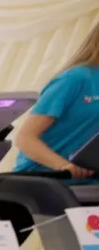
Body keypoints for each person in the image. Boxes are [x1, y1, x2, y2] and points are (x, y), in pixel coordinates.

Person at [13, 20, 99, 181]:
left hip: (89, 184)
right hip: (44, 180)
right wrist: (64, 166)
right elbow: (25, 139)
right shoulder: (75, 78)